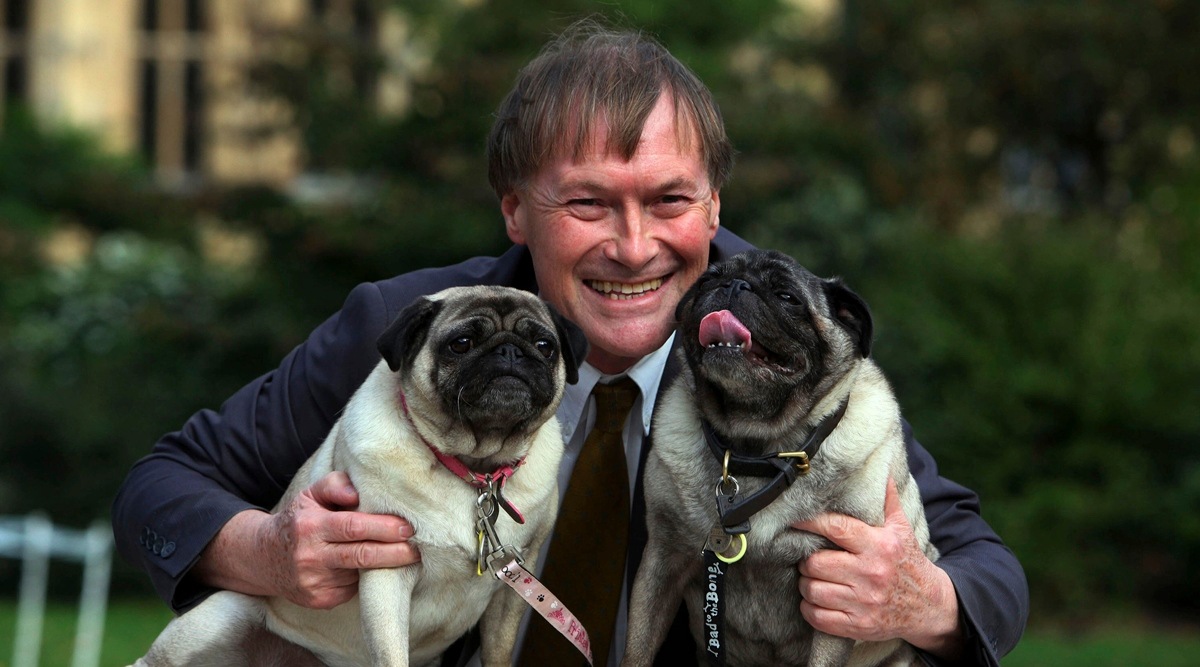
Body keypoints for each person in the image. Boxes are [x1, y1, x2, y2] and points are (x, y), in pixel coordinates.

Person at [112, 20, 1028, 666]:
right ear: (515, 208)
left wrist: (923, 599)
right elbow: (160, 486)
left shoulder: (791, 353)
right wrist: (268, 549)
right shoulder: (410, 328)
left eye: (669, 200)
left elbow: (987, 572)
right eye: (588, 202)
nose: (634, 246)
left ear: (715, 205)